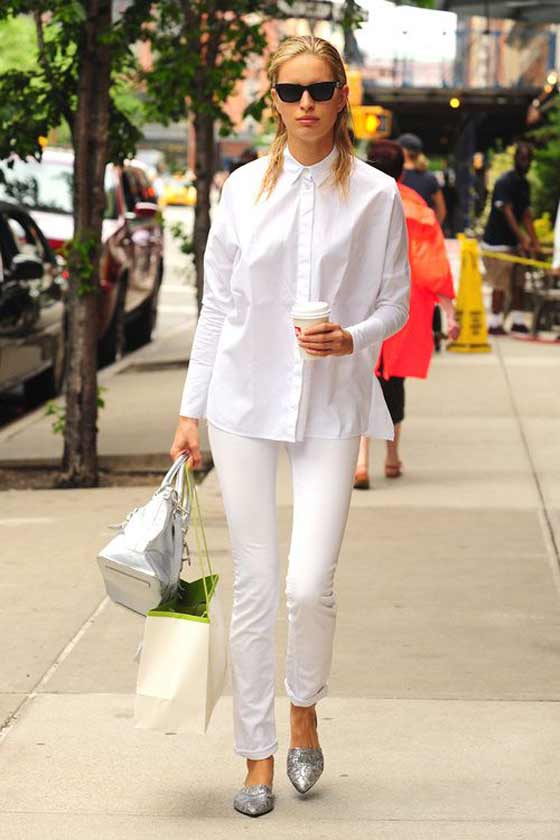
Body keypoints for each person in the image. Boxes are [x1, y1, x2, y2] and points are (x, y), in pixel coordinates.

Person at [169, 35, 409, 818]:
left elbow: (397, 303)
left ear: (343, 95)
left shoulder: (374, 195)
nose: (306, 103)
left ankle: (304, 707)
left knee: (309, 585)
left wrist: (354, 338)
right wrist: (189, 410)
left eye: (321, 88)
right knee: (256, 583)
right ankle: (256, 754)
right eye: (290, 90)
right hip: (243, 399)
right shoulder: (240, 189)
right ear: (270, 100)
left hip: (332, 401)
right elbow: (217, 306)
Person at [354, 140, 459, 489]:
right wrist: (450, 313)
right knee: (392, 380)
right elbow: (432, 268)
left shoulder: (351, 201)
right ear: (403, 171)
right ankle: (392, 456)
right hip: (402, 310)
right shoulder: (418, 210)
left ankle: (360, 461)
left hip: (358, 306)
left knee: (360, 377)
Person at [481, 142, 540, 336]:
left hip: (514, 244)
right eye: (522, 158)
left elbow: (525, 214)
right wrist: (522, 237)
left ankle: (517, 320)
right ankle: (495, 322)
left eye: (528, 159)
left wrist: (534, 240)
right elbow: (507, 212)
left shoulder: (524, 184)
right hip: (497, 242)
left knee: (518, 283)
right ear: (515, 159)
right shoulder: (504, 182)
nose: (525, 163)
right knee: (500, 283)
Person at [397, 133, 446, 226]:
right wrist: (432, 229)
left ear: (404, 151)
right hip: (421, 236)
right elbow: (441, 210)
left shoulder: (395, 176)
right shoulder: (430, 178)